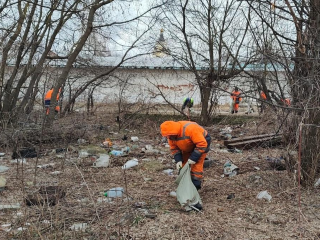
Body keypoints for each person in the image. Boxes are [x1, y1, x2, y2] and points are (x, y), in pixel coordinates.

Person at [160, 120, 211, 211]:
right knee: (183, 169)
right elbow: (174, 149)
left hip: (202, 143)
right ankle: (185, 190)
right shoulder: (171, 136)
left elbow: (202, 144)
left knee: (196, 167)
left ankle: (194, 190)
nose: (169, 138)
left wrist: (194, 157)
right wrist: (178, 160)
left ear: (174, 132)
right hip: (187, 146)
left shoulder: (190, 129)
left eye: (170, 136)